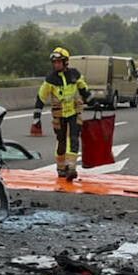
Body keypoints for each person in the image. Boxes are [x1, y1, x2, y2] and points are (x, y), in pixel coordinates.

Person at [36, 47, 91, 181]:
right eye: (54, 62)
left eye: (59, 62)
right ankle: (61, 168)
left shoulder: (75, 74)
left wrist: (93, 102)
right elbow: (41, 97)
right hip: (59, 115)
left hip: (73, 113)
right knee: (61, 141)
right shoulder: (50, 79)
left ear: (66, 62)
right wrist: (36, 118)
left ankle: (71, 168)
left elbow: (84, 89)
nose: (56, 65)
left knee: (73, 138)